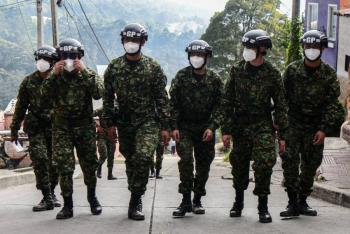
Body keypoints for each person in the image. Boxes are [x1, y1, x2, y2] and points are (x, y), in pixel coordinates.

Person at [102, 23, 170, 221]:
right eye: (127, 40)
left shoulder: (153, 67)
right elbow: (107, 98)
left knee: (142, 157)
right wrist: (110, 124)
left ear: (142, 42)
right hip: (124, 122)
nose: (130, 43)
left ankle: (135, 200)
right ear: (123, 41)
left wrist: (166, 126)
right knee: (131, 160)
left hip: (148, 121)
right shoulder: (114, 67)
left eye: (135, 40)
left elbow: (161, 98)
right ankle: (135, 190)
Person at [221, 29, 288, 223]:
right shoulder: (236, 71)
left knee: (265, 162)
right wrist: (226, 130)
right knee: (239, 164)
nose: (247, 50)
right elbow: (227, 101)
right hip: (241, 125)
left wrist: (282, 134)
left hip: (262, 124)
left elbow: (281, 106)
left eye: (251, 47)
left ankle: (263, 206)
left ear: (262, 49)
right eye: (246, 46)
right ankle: (238, 202)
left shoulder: (272, 74)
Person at [41, 38, 104, 219]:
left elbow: (98, 93)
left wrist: (83, 72)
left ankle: (92, 199)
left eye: (72, 56)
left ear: (80, 57)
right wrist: (53, 73)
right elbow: (43, 96)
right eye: (64, 56)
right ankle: (67, 205)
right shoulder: (54, 77)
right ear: (58, 57)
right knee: (64, 166)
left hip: (84, 127)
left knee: (89, 165)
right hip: (62, 128)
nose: (68, 60)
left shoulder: (88, 73)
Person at [280, 30, 341, 218]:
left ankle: (303, 201)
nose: (311, 50)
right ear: (303, 48)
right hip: (293, 125)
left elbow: (333, 105)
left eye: (315, 46)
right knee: (290, 163)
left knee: (310, 165)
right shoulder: (291, 71)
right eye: (308, 46)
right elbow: (282, 100)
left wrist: (323, 129)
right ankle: (292, 202)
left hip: (315, 128)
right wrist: (281, 129)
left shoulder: (329, 75)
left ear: (322, 48)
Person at [170, 40, 223, 217]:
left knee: (203, 165)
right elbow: (173, 104)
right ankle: (185, 200)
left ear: (207, 57)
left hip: (205, 129)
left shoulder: (215, 79)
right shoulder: (181, 76)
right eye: (193, 55)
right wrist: (174, 126)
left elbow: (221, 106)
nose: (196, 58)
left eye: (200, 55)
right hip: (184, 127)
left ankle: (197, 199)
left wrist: (212, 126)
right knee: (185, 161)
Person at [10, 46, 60, 212]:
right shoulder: (28, 81)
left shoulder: (59, 81)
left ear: (52, 62)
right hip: (36, 126)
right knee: (39, 159)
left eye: (45, 59)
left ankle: (52, 193)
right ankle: (46, 196)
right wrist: (14, 128)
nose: (41, 62)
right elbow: (20, 107)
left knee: (55, 162)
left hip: (55, 126)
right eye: (39, 58)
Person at [93, 108, 117, 180]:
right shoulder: (100, 110)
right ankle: (99, 168)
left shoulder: (116, 110)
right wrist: (97, 125)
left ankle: (110, 175)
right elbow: (89, 115)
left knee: (111, 156)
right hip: (102, 135)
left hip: (111, 135)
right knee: (104, 154)